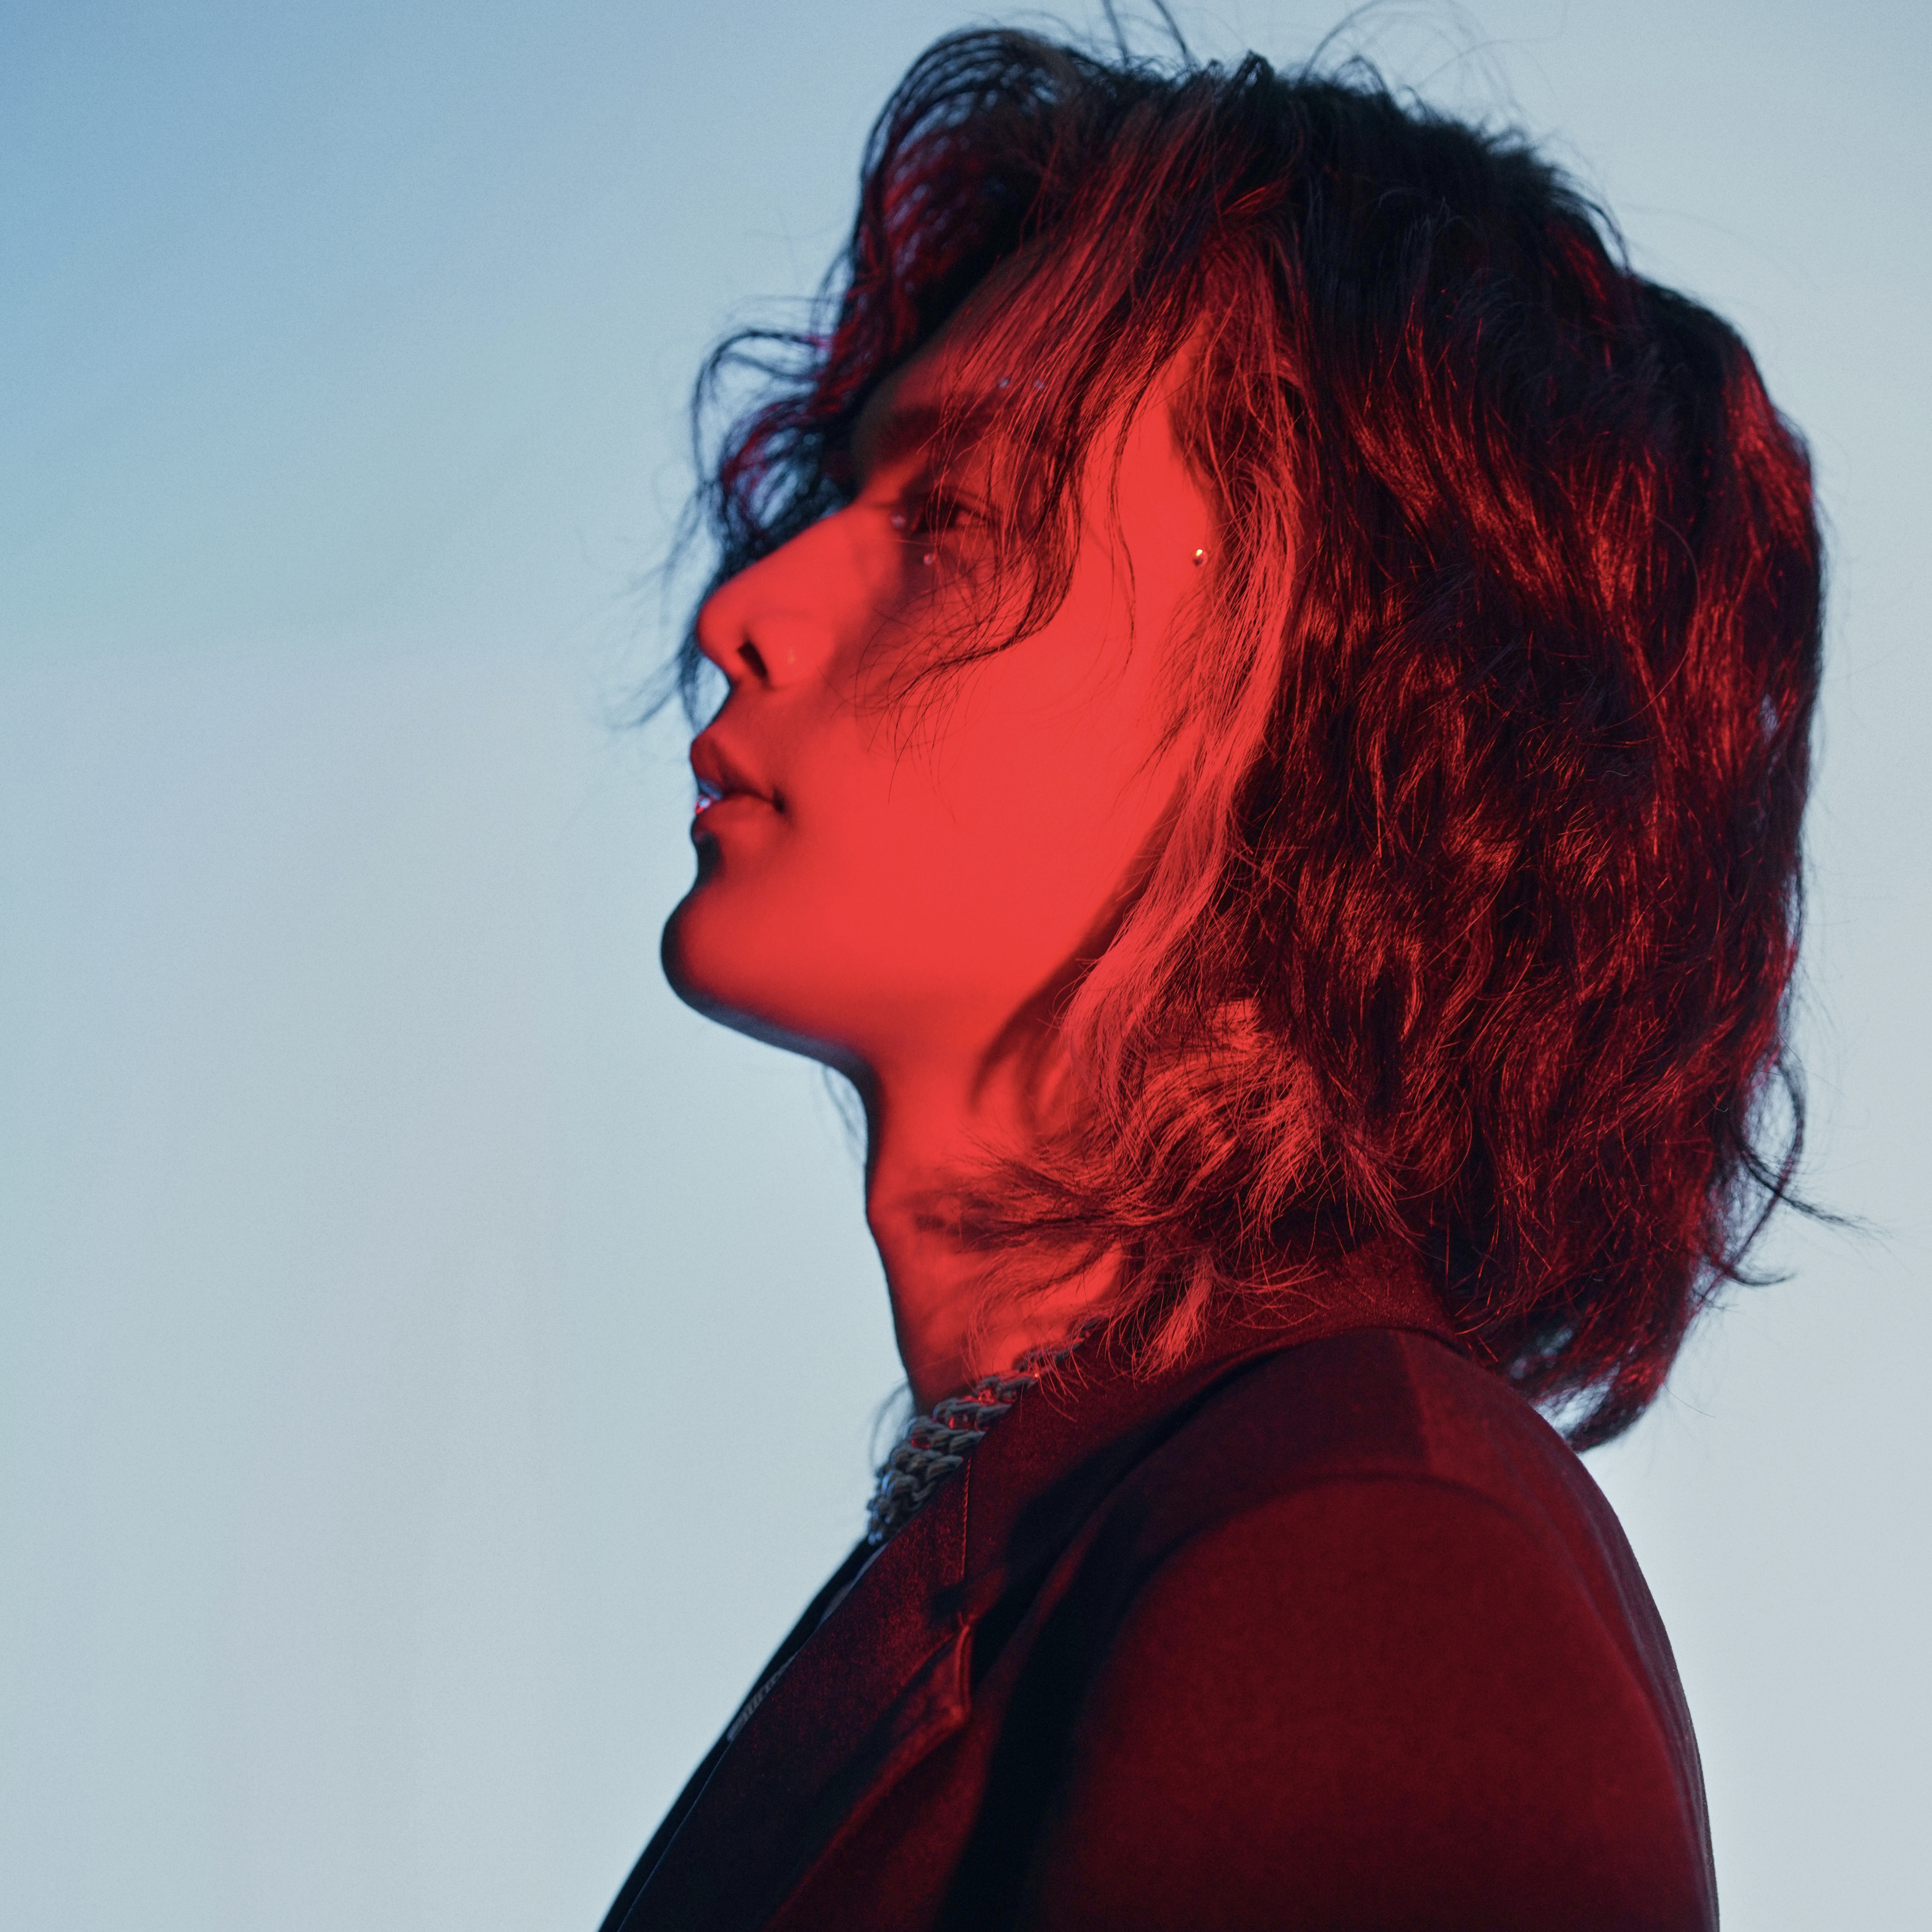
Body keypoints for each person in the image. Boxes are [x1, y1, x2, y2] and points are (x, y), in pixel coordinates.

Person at [601, 24, 1820, 1932]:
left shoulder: (1368, 1558)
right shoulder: (1089, 1517)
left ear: (1349, 680)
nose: (744, 609)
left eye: (954, 518)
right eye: (844, 495)